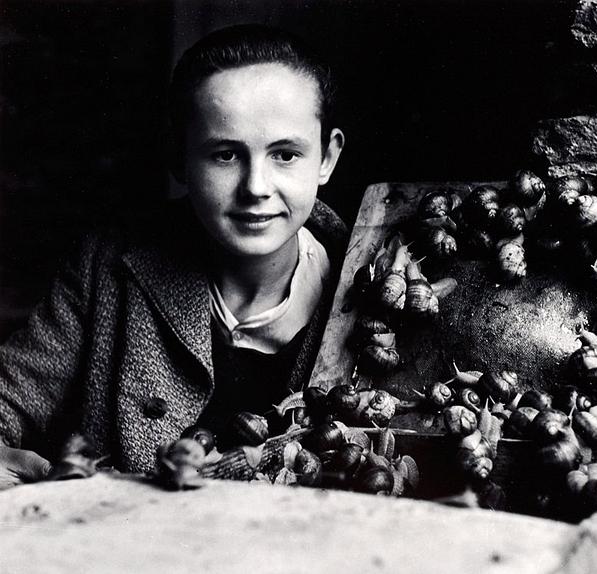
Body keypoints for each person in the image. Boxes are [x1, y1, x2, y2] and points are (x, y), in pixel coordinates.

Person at [0, 23, 347, 489]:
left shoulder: (369, 286)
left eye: (285, 154)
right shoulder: (106, 265)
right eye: (225, 155)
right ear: (179, 158)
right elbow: (10, 392)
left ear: (326, 158)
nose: (256, 188)